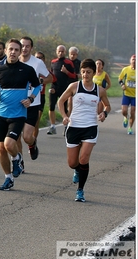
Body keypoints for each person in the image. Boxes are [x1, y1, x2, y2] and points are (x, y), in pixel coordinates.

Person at [0, 38, 41, 191]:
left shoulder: (27, 70)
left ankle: (17, 158)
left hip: (18, 114)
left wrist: (31, 98)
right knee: (0, 149)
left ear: (20, 52)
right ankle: (8, 178)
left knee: (9, 144)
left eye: (16, 50)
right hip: (1, 114)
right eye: (10, 49)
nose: (13, 52)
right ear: (5, 51)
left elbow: (37, 86)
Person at [57, 58, 111, 202]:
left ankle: (80, 190)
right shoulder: (74, 86)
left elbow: (107, 106)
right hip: (74, 126)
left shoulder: (100, 90)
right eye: (83, 72)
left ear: (94, 73)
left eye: (88, 72)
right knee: (73, 163)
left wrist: (103, 113)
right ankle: (76, 170)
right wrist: (64, 116)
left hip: (90, 127)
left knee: (83, 159)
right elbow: (60, 101)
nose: (86, 75)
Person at [17, 37, 53, 169]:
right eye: (22, 46)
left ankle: (32, 144)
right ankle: (19, 162)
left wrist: (40, 82)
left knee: (27, 137)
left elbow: (50, 77)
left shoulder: (37, 63)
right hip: (16, 104)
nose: (24, 48)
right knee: (15, 137)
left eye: (27, 46)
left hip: (32, 104)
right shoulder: (13, 61)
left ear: (31, 48)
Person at [47, 45, 76, 135]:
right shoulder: (53, 62)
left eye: (62, 51)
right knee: (51, 107)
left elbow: (74, 76)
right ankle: (52, 126)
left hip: (64, 88)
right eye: (59, 51)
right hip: (54, 87)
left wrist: (66, 72)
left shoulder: (69, 63)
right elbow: (51, 75)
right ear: (56, 52)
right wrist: (51, 86)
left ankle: (66, 126)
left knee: (64, 107)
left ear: (65, 52)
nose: (60, 53)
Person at [34, 52, 56, 138]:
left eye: (40, 57)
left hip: (40, 97)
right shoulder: (30, 68)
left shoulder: (45, 71)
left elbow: (54, 79)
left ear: (44, 59)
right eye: (36, 57)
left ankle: (33, 142)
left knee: (36, 121)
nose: (38, 59)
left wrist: (53, 88)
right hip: (29, 97)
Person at [64, 46, 82, 135]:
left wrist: (76, 75)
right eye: (71, 54)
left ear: (77, 55)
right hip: (65, 84)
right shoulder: (66, 62)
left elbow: (81, 74)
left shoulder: (79, 63)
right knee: (65, 103)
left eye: (74, 54)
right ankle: (66, 120)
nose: (72, 56)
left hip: (75, 85)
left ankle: (70, 121)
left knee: (71, 103)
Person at [118, 54, 136, 135]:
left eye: (136, 60)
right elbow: (120, 79)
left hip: (135, 96)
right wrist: (122, 84)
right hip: (126, 94)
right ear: (130, 61)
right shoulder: (126, 69)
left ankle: (130, 128)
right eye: (133, 59)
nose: (134, 61)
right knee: (124, 111)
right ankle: (125, 117)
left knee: (133, 112)